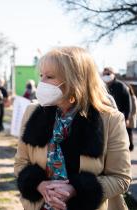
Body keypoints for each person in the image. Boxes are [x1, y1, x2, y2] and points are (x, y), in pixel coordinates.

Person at [14, 47, 131, 210]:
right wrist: (39, 185)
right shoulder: (32, 112)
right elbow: (21, 163)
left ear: (75, 80)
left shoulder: (110, 120)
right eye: (41, 76)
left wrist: (76, 189)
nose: (42, 83)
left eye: (50, 77)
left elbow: (121, 178)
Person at [126, 84, 137, 151]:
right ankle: (129, 145)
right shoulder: (127, 97)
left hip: (131, 119)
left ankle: (131, 146)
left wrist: (129, 117)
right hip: (128, 119)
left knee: (129, 132)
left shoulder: (133, 97)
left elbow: (134, 109)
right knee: (127, 132)